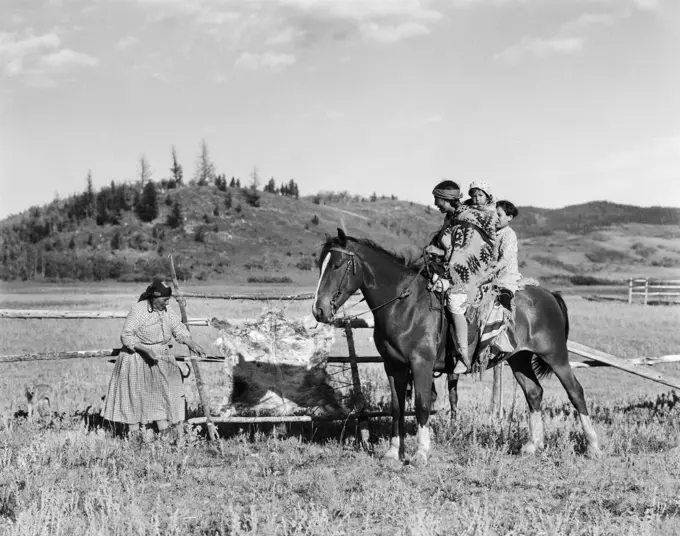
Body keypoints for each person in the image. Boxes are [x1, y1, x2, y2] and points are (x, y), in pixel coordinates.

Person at [101, 279, 207, 443]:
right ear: (154, 297)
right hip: (135, 358)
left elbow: (178, 328)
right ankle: (135, 440)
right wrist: (145, 349)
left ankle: (165, 439)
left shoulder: (166, 310)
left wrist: (191, 343)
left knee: (162, 396)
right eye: (164, 300)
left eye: (168, 300)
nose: (166, 303)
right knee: (134, 398)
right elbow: (126, 336)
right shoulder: (139, 310)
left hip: (158, 358)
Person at [425, 180, 498, 374]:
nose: (435, 204)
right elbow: (451, 247)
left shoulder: (467, 217)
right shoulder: (453, 216)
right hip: (450, 267)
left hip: (471, 273)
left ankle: (463, 356)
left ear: (446, 199)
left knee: (454, 302)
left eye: (437, 200)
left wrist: (441, 256)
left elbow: (466, 250)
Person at [494, 200, 521, 309]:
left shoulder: (509, 235)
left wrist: (491, 271)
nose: (495, 217)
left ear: (509, 217)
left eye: (499, 215)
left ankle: (507, 325)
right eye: (494, 214)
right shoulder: (492, 234)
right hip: (490, 278)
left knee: (502, 306)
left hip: (505, 278)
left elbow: (504, 259)